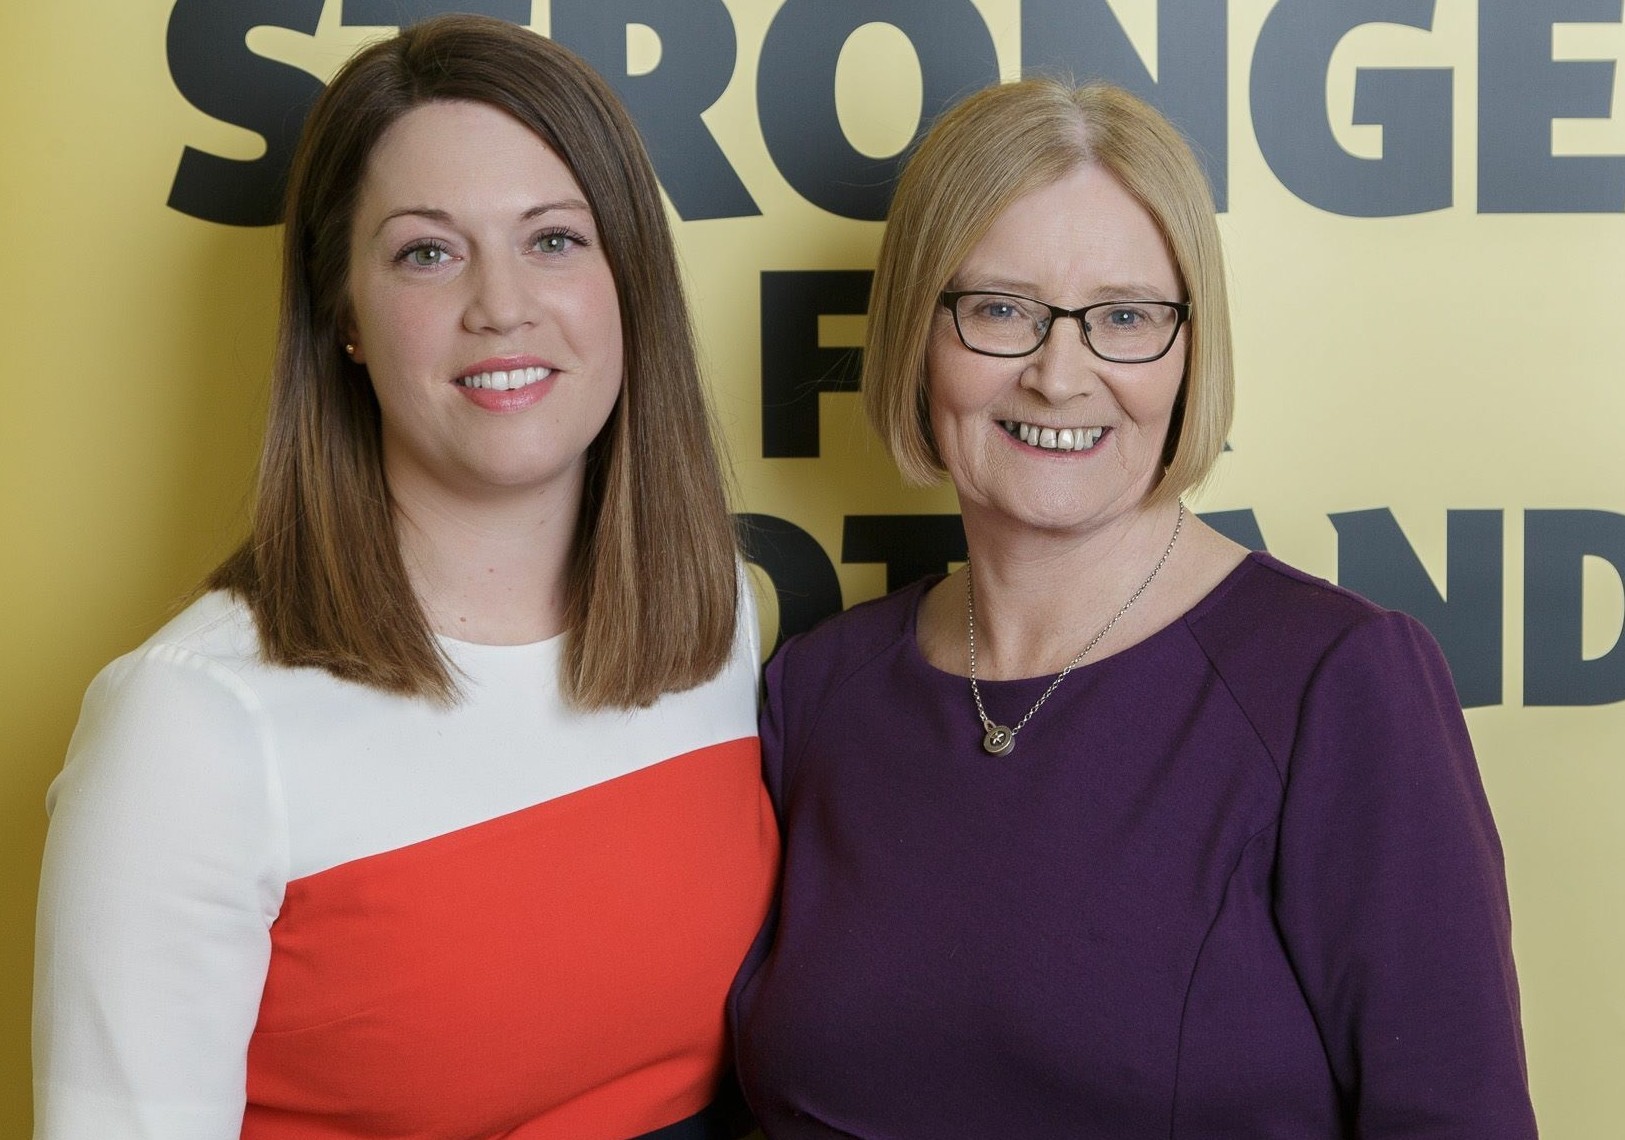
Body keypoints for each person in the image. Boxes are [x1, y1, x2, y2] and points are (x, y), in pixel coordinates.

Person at [729, 78, 1537, 1138]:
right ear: (915, 335)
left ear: (1188, 349)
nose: (1059, 376)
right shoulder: (816, 692)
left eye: (1122, 318)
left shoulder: (1338, 684)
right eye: (1000, 310)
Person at [34, 15, 776, 1139]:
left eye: (555, 240)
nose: (501, 305)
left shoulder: (711, 610)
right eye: (426, 251)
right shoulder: (191, 725)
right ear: (343, 315)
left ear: (630, 278)